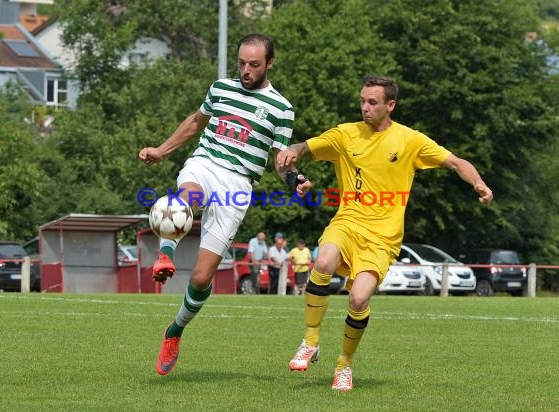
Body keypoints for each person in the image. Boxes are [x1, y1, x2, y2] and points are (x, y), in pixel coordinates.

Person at [277, 75, 493, 391]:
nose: (365, 107)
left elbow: (456, 162)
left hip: (382, 237)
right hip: (347, 223)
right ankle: (310, 341)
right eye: (363, 101)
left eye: (373, 102)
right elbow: (302, 147)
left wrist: (478, 183)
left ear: (390, 105)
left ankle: (344, 365)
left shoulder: (410, 141)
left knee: (359, 298)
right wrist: (290, 160)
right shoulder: (345, 134)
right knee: (322, 262)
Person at [138, 33, 311, 376]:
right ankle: (166, 255)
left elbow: (280, 159)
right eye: (242, 63)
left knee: (202, 278)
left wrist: (294, 180)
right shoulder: (220, 88)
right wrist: (161, 149)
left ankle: (174, 331)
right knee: (186, 199)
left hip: (238, 184)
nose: (246, 70)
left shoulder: (281, 108)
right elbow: (195, 123)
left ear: (269, 64)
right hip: (205, 164)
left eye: (254, 65)